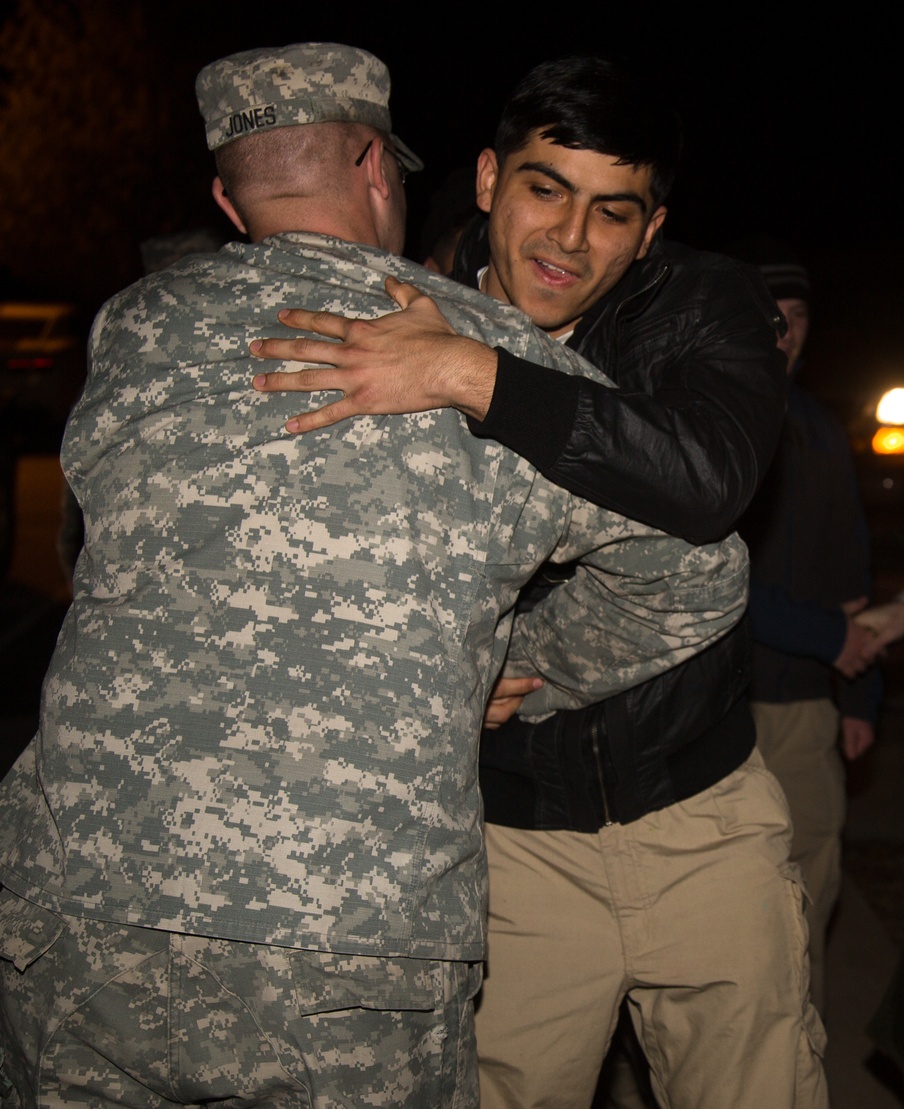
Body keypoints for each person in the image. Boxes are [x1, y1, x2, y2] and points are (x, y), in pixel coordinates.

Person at [0, 45, 748, 1109]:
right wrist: (523, 668)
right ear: (380, 167)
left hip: (92, 900)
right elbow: (697, 572)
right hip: (353, 932)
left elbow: (92, 541)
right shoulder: (499, 357)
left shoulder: (134, 327)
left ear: (228, 200)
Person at [251, 57, 826, 1109]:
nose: (569, 239)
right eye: (543, 188)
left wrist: (470, 373)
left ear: (649, 230)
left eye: (613, 211)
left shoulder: (702, 306)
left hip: (701, 810)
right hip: (506, 834)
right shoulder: (397, 311)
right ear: (485, 179)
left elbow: (706, 482)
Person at [739, 249, 882, 1012]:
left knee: (808, 898)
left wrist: (862, 695)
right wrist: (828, 638)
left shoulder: (823, 428)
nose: (782, 335)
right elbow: (714, 576)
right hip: (721, 709)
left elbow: (852, 575)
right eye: (768, 319)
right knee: (728, 915)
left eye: (795, 322)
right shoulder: (715, 415)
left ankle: (797, 1076)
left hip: (806, 715)